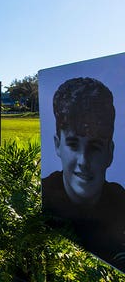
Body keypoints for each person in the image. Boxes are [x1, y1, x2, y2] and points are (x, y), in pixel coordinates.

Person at [42, 77, 125, 271]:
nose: (83, 161)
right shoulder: (45, 196)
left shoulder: (121, 202)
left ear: (109, 152)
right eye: (73, 144)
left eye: (95, 147)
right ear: (57, 145)